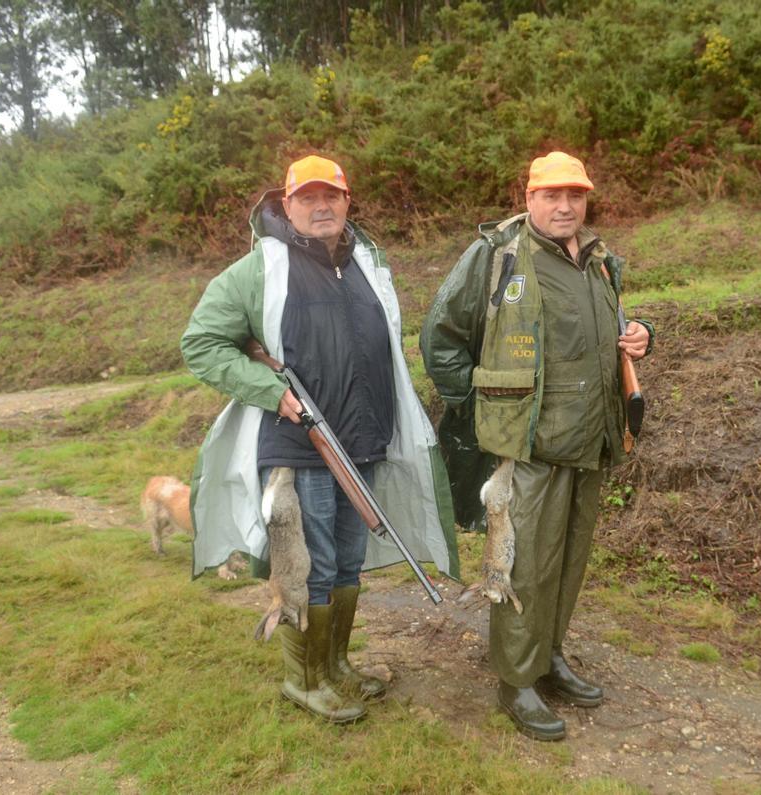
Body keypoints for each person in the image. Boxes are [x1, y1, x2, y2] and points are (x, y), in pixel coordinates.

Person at [181, 155, 458, 724]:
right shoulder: (259, 270)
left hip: (362, 441)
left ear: (348, 201)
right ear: (287, 206)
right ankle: (305, 679)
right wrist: (269, 388)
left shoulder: (365, 265)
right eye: (306, 198)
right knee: (312, 565)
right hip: (298, 445)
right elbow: (203, 343)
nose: (320, 206)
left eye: (330, 195)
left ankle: (337, 667)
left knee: (350, 561)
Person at [421, 151, 652, 741]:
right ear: (528, 198)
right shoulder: (497, 255)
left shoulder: (599, 262)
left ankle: (548, 657)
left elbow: (605, 331)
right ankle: (515, 680)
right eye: (552, 195)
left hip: (590, 438)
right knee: (523, 565)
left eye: (575, 195)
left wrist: (641, 333)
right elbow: (440, 337)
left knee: (569, 561)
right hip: (528, 447)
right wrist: (480, 413)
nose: (565, 205)